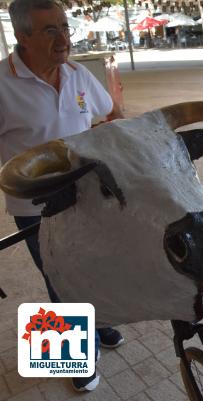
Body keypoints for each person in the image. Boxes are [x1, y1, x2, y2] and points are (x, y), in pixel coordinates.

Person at [0, 0, 125, 392]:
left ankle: (100, 323)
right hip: (35, 206)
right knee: (59, 276)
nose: (63, 38)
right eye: (49, 30)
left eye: (64, 28)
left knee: (94, 264)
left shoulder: (78, 74)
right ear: (22, 36)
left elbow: (111, 114)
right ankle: (73, 356)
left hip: (86, 195)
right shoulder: (1, 85)